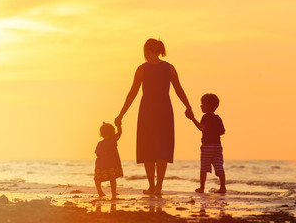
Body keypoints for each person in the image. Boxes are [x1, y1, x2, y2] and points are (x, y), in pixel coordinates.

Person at [115, 38, 193, 195]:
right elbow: (179, 90)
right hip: (164, 112)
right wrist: (188, 106)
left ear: (146, 51)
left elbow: (132, 93)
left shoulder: (142, 69)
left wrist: (121, 114)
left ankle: (152, 186)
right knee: (161, 150)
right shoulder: (170, 68)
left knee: (149, 150)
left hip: (147, 113)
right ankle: (158, 187)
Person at [186, 93, 226, 193]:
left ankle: (202, 188)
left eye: (203, 104)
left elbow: (201, 127)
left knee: (204, 168)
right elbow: (222, 131)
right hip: (217, 146)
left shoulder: (205, 117)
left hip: (207, 146)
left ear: (208, 106)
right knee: (219, 166)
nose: (201, 106)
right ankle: (222, 187)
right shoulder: (218, 118)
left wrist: (192, 119)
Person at [94, 122, 123, 199]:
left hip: (101, 163)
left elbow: (97, 153)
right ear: (112, 132)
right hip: (111, 163)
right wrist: (119, 125)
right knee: (112, 178)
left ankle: (99, 191)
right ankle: (113, 192)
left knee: (98, 178)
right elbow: (119, 133)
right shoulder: (113, 139)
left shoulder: (100, 143)